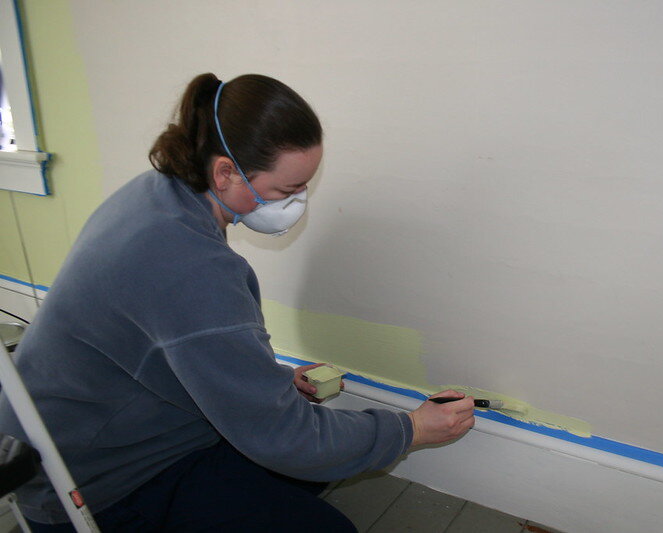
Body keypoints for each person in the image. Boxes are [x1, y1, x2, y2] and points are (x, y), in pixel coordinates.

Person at [0, 73, 475, 532]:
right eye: (287, 190)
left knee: (316, 466)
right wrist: (411, 429)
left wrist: (260, 380)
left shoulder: (159, 193)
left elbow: (174, 341)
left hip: (83, 424)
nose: (297, 202)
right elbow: (282, 437)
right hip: (96, 483)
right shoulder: (191, 267)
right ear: (225, 171)